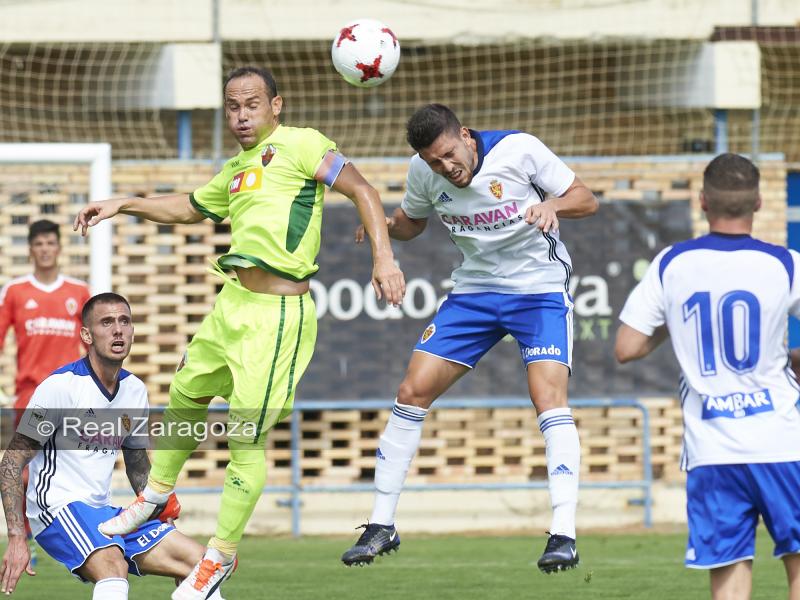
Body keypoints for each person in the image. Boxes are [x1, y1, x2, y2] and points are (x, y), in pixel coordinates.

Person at [74, 65, 406, 597]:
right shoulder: (237, 167)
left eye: (252, 104)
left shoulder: (302, 145)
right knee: (185, 391)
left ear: (277, 105)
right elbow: (188, 207)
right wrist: (123, 203)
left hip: (276, 316)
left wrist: (384, 259)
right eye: (232, 106)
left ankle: (218, 558)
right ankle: (155, 494)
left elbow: (364, 191)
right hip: (232, 302)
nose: (241, 115)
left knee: (244, 436)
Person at [342, 104, 599, 572]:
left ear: (465, 135)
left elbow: (586, 198)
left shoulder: (519, 150)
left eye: (448, 155)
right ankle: (382, 524)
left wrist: (551, 204)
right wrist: (384, 229)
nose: (445, 168)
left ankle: (564, 533)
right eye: (434, 162)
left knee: (548, 398)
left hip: (537, 292)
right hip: (474, 293)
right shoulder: (423, 170)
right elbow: (413, 221)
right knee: (411, 390)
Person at [615, 153, 800, 600]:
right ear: (758, 203)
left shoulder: (672, 264)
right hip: (782, 441)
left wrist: (674, 322)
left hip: (712, 449)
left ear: (702, 202)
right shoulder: (786, 264)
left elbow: (627, 348)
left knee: (729, 579)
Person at [0, 293, 230, 600]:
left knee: (202, 564)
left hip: (104, 513)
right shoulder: (61, 387)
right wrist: (17, 537)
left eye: (124, 321)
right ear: (86, 334)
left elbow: (137, 465)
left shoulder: (134, 391)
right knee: (112, 567)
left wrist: (159, 513)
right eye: (106, 322)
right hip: (57, 508)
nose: (117, 330)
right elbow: (12, 461)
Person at [0, 218, 91, 567]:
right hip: (28, 394)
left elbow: (91, 340)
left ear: (59, 247)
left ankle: (71, 535)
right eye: (39, 244)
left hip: (70, 394)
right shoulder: (16, 291)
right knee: (22, 469)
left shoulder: (78, 291)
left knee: (74, 465)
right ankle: (23, 539)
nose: (45, 250)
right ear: (31, 249)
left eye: (51, 243)